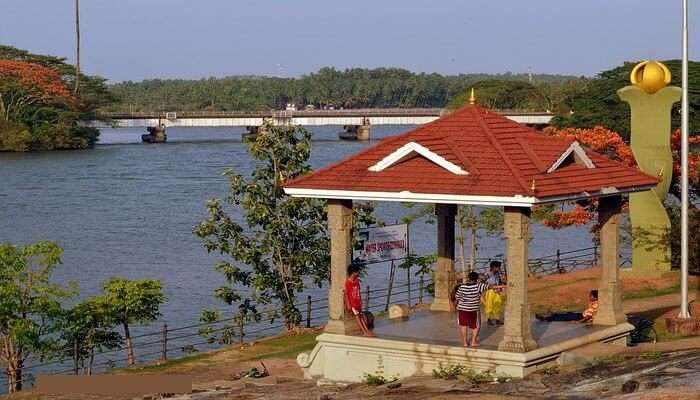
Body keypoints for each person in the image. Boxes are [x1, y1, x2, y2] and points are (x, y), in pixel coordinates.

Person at [454, 271, 489, 347]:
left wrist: (457, 305)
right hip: (474, 310)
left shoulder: (462, 287)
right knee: (476, 326)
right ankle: (473, 342)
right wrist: (504, 286)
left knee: (463, 326)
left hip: (462, 309)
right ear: (477, 279)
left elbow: (457, 297)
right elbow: (490, 287)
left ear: (468, 278)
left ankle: (465, 343)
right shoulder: (479, 286)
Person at [344, 265, 375, 337]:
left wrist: (360, 300)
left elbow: (358, 292)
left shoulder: (357, 281)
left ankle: (367, 330)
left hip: (357, 302)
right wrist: (348, 305)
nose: (358, 273)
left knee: (361, 316)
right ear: (353, 272)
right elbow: (346, 294)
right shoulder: (348, 283)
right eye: (357, 272)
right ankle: (364, 332)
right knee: (357, 317)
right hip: (353, 303)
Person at [484, 261, 505, 325]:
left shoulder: (498, 274)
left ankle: (497, 319)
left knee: (498, 305)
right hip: (490, 291)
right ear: (493, 267)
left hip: (497, 291)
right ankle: (489, 319)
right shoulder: (487, 274)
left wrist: (501, 288)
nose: (499, 268)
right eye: (498, 267)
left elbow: (500, 282)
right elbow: (483, 283)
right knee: (489, 305)